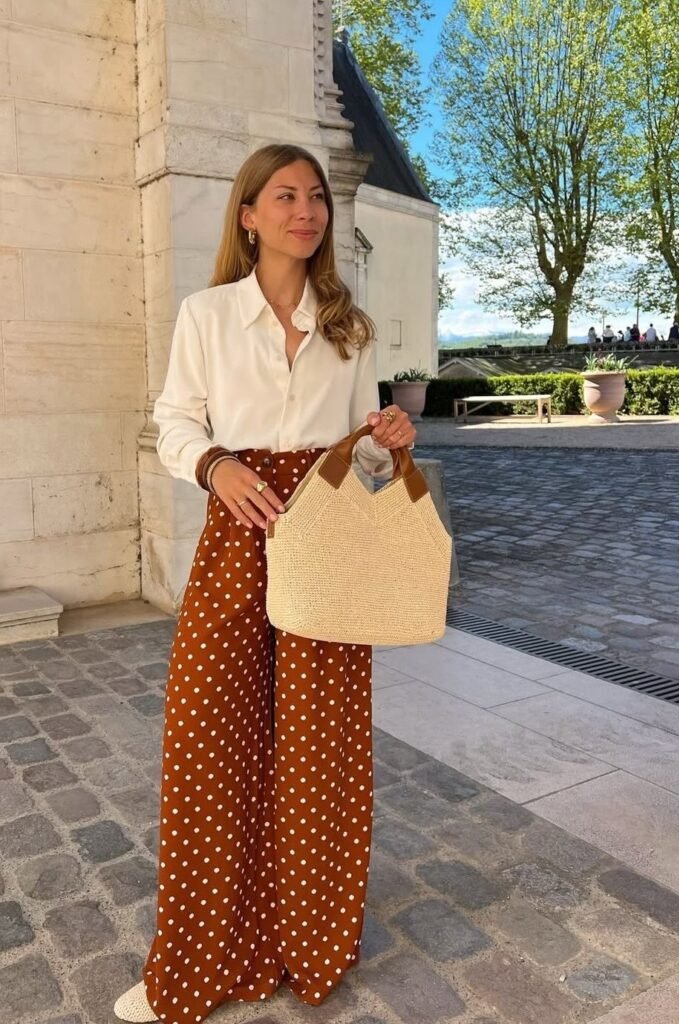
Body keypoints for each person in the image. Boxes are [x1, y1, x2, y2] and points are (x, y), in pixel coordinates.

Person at [113, 144, 417, 1024]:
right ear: (248, 214)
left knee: (320, 759)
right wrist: (214, 465)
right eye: (284, 195)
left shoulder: (347, 325)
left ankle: (307, 943)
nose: (306, 210)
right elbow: (172, 421)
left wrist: (387, 439)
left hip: (325, 547)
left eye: (316, 196)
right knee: (210, 747)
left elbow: (361, 460)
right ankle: (200, 957)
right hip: (238, 545)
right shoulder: (207, 314)